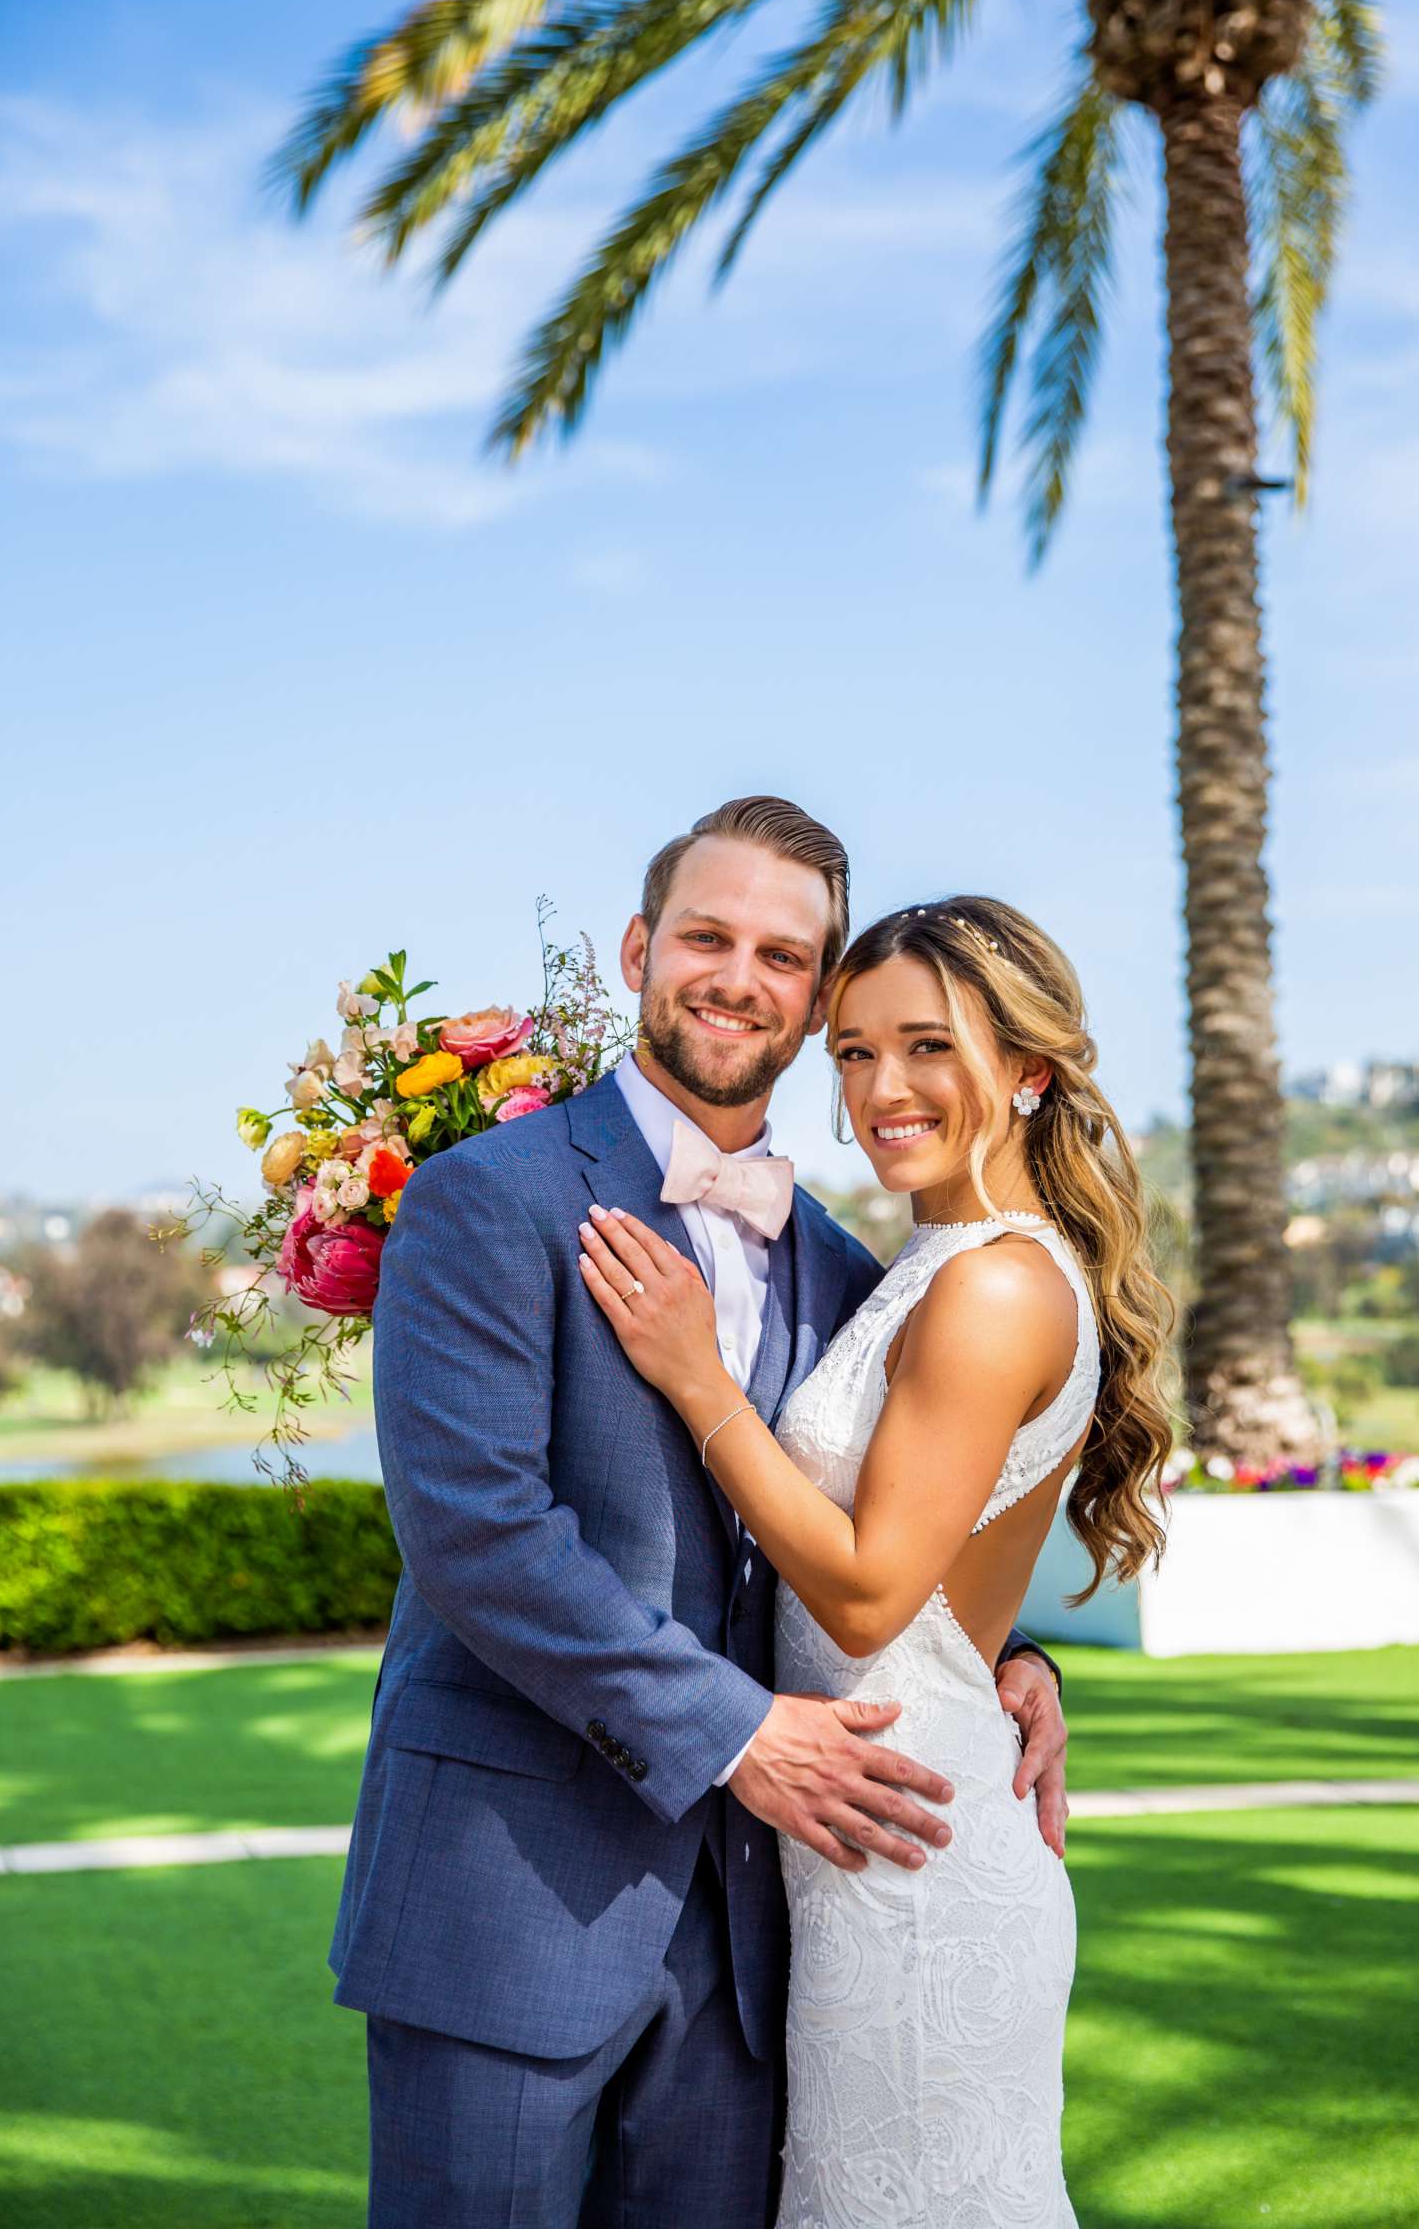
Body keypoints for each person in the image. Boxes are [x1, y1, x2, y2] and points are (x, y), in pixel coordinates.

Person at [330, 799, 1070, 2228]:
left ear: (815, 1000)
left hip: (754, 1948)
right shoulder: (485, 1201)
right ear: (637, 949)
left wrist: (1008, 1659)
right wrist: (735, 1732)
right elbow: (480, 1533)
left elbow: (871, 1518)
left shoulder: (853, 1268)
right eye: (708, 937)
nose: (740, 977)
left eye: (784, 957)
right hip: (506, 1902)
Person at [580, 895, 1175, 2227]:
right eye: (850, 1051)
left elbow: (864, 1587)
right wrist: (1010, 1653)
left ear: (1027, 1071)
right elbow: (944, 1550)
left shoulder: (999, 1286)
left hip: (920, 1858)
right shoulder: (929, 1263)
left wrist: (697, 1382)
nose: (879, 1089)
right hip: (866, 1840)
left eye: (926, 1047)